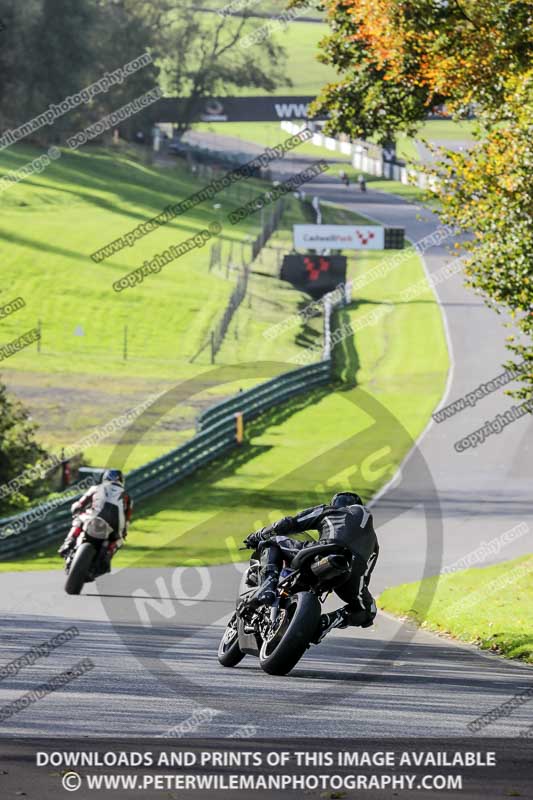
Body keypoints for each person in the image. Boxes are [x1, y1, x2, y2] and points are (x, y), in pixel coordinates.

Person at [244, 492, 378, 642]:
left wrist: (258, 535)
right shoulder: (374, 542)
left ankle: (268, 584)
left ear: (336, 503)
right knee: (369, 610)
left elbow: (291, 522)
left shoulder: (329, 510)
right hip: (352, 573)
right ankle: (330, 620)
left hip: (325, 550)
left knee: (272, 541)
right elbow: (366, 576)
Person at [58, 469, 133, 570]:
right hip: (115, 523)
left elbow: (80, 503)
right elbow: (127, 519)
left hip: (94, 516)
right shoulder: (127, 496)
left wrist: (76, 510)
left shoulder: (96, 488)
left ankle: (69, 542)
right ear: (121, 481)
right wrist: (123, 533)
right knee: (119, 540)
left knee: (79, 519)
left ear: (105, 478)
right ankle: (108, 554)